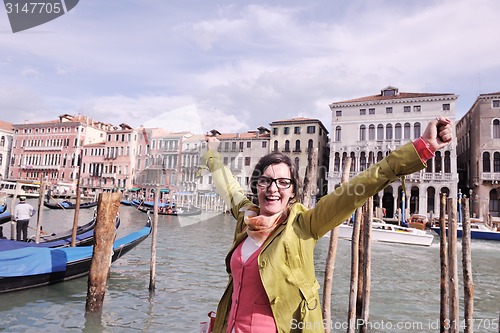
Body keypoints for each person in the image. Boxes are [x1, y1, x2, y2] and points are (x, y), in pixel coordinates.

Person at [202, 117, 453, 332]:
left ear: (293, 192)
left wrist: (423, 147)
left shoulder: (305, 225)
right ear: (256, 185)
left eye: (283, 183)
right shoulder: (246, 217)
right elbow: (227, 185)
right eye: (265, 181)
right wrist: (211, 153)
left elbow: (359, 187)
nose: (273, 189)